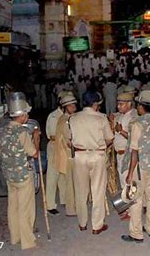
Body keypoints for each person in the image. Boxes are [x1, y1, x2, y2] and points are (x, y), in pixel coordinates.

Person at [121, 90, 150, 243]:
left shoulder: (137, 124)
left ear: (141, 107)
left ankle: (136, 233)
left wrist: (130, 172)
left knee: (136, 199)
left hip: (140, 167)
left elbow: (134, 151)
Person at [0, 92, 39, 250]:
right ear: (22, 115)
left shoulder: (2, 130)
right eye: (26, 113)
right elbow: (33, 153)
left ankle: (15, 237)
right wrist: (35, 137)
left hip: (9, 174)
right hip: (22, 175)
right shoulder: (22, 132)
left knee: (12, 206)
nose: (27, 116)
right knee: (25, 208)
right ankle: (27, 241)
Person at [68, 90, 114, 234]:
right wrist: (101, 146)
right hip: (97, 155)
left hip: (80, 156)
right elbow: (109, 138)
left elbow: (69, 139)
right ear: (95, 104)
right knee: (98, 190)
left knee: (81, 191)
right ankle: (97, 225)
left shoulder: (73, 118)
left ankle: (82, 223)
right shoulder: (101, 118)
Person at [45, 91, 71, 214]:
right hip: (55, 148)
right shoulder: (54, 116)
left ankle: (65, 199)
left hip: (66, 148)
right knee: (52, 176)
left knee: (64, 175)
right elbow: (51, 135)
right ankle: (50, 205)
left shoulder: (71, 115)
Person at [54, 94, 78, 217]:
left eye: (74, 104)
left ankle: (73, 207)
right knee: (71, 184)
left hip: (67, 154)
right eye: (70, 105)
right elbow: (70, 141)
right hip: (69, 155)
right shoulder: (66, 120)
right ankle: (71, 209)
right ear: (65, 107)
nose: (74, 106)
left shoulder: (65, 118)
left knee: (72, 183)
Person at [111, 93, 137, 188]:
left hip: (128, 155)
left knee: (128, 180)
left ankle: (131, 200)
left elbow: (135, 137)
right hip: (120, 154)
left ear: (129, 104)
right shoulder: (122, 115)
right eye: (118, 104)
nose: (118, 106)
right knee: (123, 179)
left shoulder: (133, 117)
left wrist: (120, 131)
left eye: (121, 104)